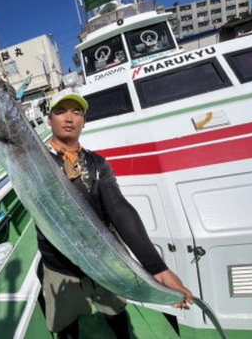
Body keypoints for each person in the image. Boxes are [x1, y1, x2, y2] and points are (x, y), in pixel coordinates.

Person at [36, 88, 193, 339]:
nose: (69, 118)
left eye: (77, 113)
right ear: (49, 120)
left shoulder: (98, 164)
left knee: (116, 314)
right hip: (60, 266)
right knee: (66, 326)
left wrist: (157, 267)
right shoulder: (36, 162)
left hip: (106, 260)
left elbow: (118, 208)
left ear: (83, 122)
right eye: (60, 111)